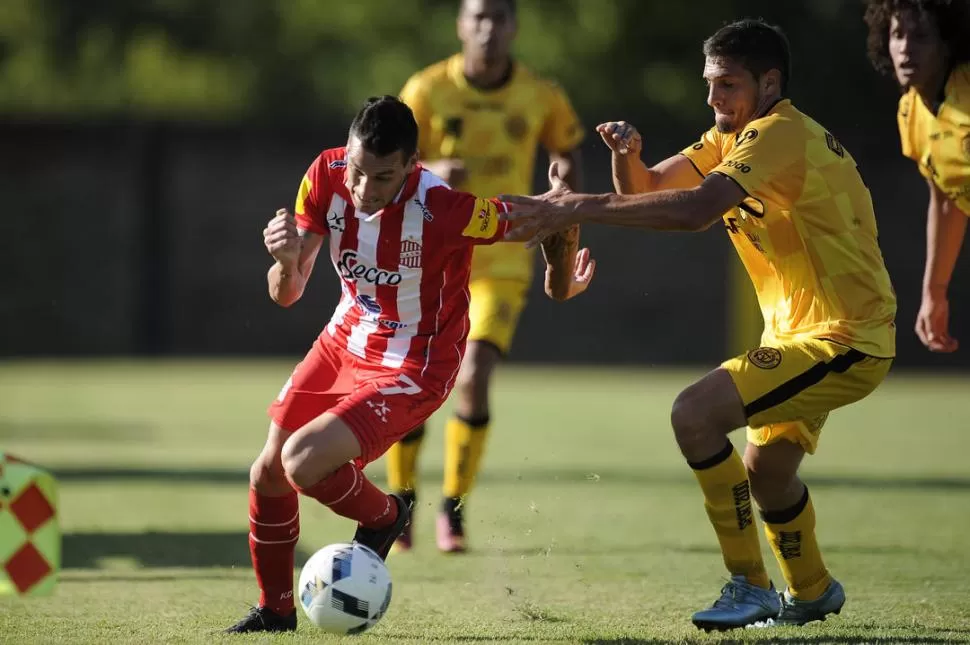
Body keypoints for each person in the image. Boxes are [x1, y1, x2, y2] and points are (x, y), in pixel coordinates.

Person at [499, 19, 897, 630]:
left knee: (695, 414)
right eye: (709, 85)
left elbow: (694, 213)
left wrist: (576, 207)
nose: (713, 100)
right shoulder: (730, 135)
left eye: (727, 85)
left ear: (770, 82)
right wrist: (627, 161)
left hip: (845, 337)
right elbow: (653, 189)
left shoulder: (777, 134)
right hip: (801, 337)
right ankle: (812, 589)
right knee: (768, 474)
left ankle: (751, 586)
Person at [225, 95, 594, 633]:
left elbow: (522, 219)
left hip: (414, 366)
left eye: (383, 177)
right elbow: (287, 293)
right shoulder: (324, 175)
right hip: (342, 343)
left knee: (302, 463)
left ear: (412, 165)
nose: (363, 189)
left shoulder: (442, 208)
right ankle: (276, 612)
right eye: (357, 171)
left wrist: (569, 205)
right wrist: (283, 262)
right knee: (268, 473)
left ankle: (386, 518)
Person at [389, 0, 585, 553]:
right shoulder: (426, 90)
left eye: (499, 17)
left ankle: (452, 510)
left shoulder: (540, 94)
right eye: (477, 17)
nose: (488, 28)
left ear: (514, 26)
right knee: (417, 378)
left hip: (502, 256)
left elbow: (566, 152)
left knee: (473, 374)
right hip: (432, 255)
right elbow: (385, 164)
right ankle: (400, 502)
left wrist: (560, 198)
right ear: (460, 25)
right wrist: (427, 171)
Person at [864, 0, 970, 353]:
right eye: (897, 34)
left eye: (921, 36)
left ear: (948, 43)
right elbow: (945, 200)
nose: (906, 47)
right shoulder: (910, 111)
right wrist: (934, 292)